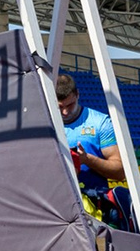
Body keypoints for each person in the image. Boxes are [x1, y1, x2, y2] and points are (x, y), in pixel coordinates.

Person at [54, 73, 134, 230]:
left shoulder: (100, 123)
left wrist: (87, 159)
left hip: (96, 207)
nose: (64, 112)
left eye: (69, 105)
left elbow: (119, 172)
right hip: (57, 205)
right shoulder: (46, 124)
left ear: (77, 95)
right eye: (60, 107)